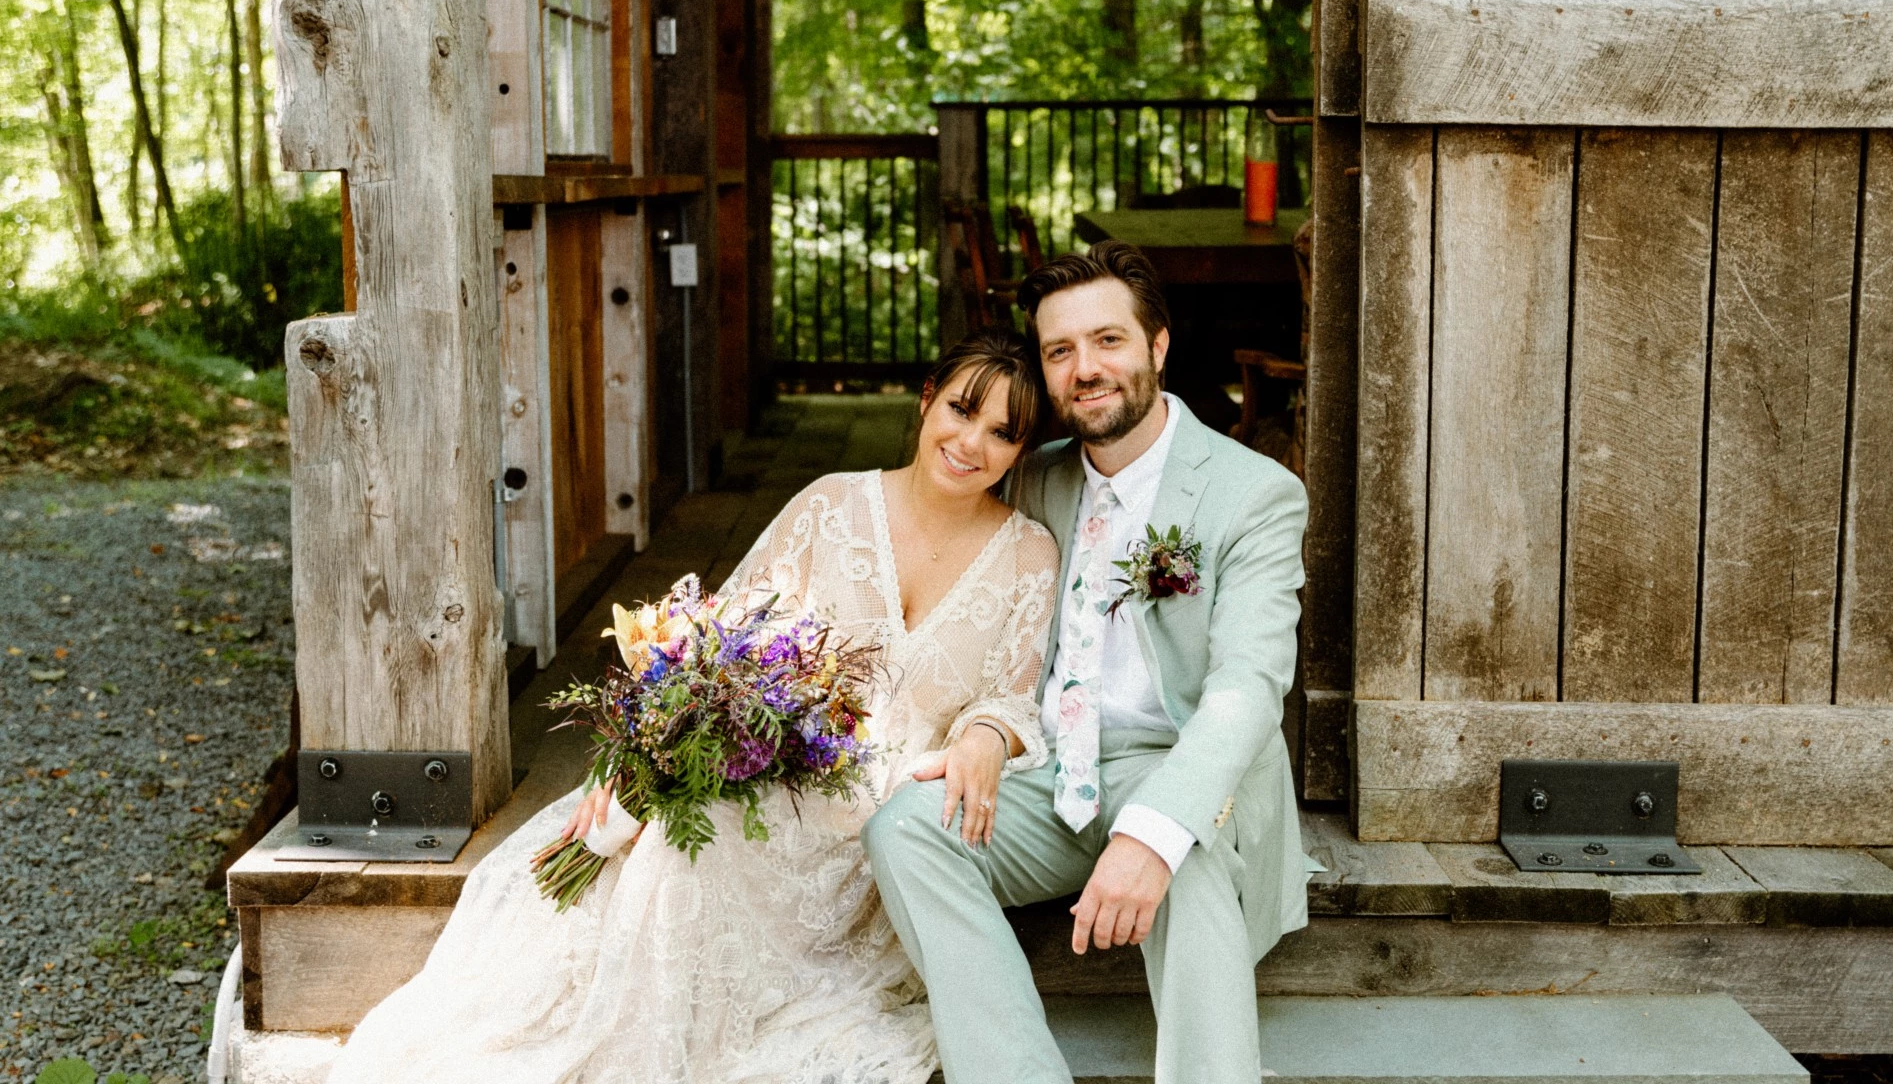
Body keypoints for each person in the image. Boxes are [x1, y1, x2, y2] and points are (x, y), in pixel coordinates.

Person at [323, 329, 1059, 1084]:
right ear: (928, 397)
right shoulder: (831, 505)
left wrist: (986, 734)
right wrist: (638, 754)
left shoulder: (1028, 552)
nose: (972, 443)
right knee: (682, 852)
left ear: (1022, 451)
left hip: (887, 827)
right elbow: (718, 639)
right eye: (963, 411)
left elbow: (1011, 691)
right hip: (780, 782)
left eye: (1003, 433)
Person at [864, 241, 1312, 1084]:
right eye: (1060, 351)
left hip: (1176, 764)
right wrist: (984, 732)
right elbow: (966, 622)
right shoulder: (1033, 479)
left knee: (1188, 851)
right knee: (908, 829)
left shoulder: (1252, 494)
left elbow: (1249, 691)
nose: (1085, 369)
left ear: (1158, 346)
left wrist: (1151, 833)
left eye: (1108, 341)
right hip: (1051, 774)